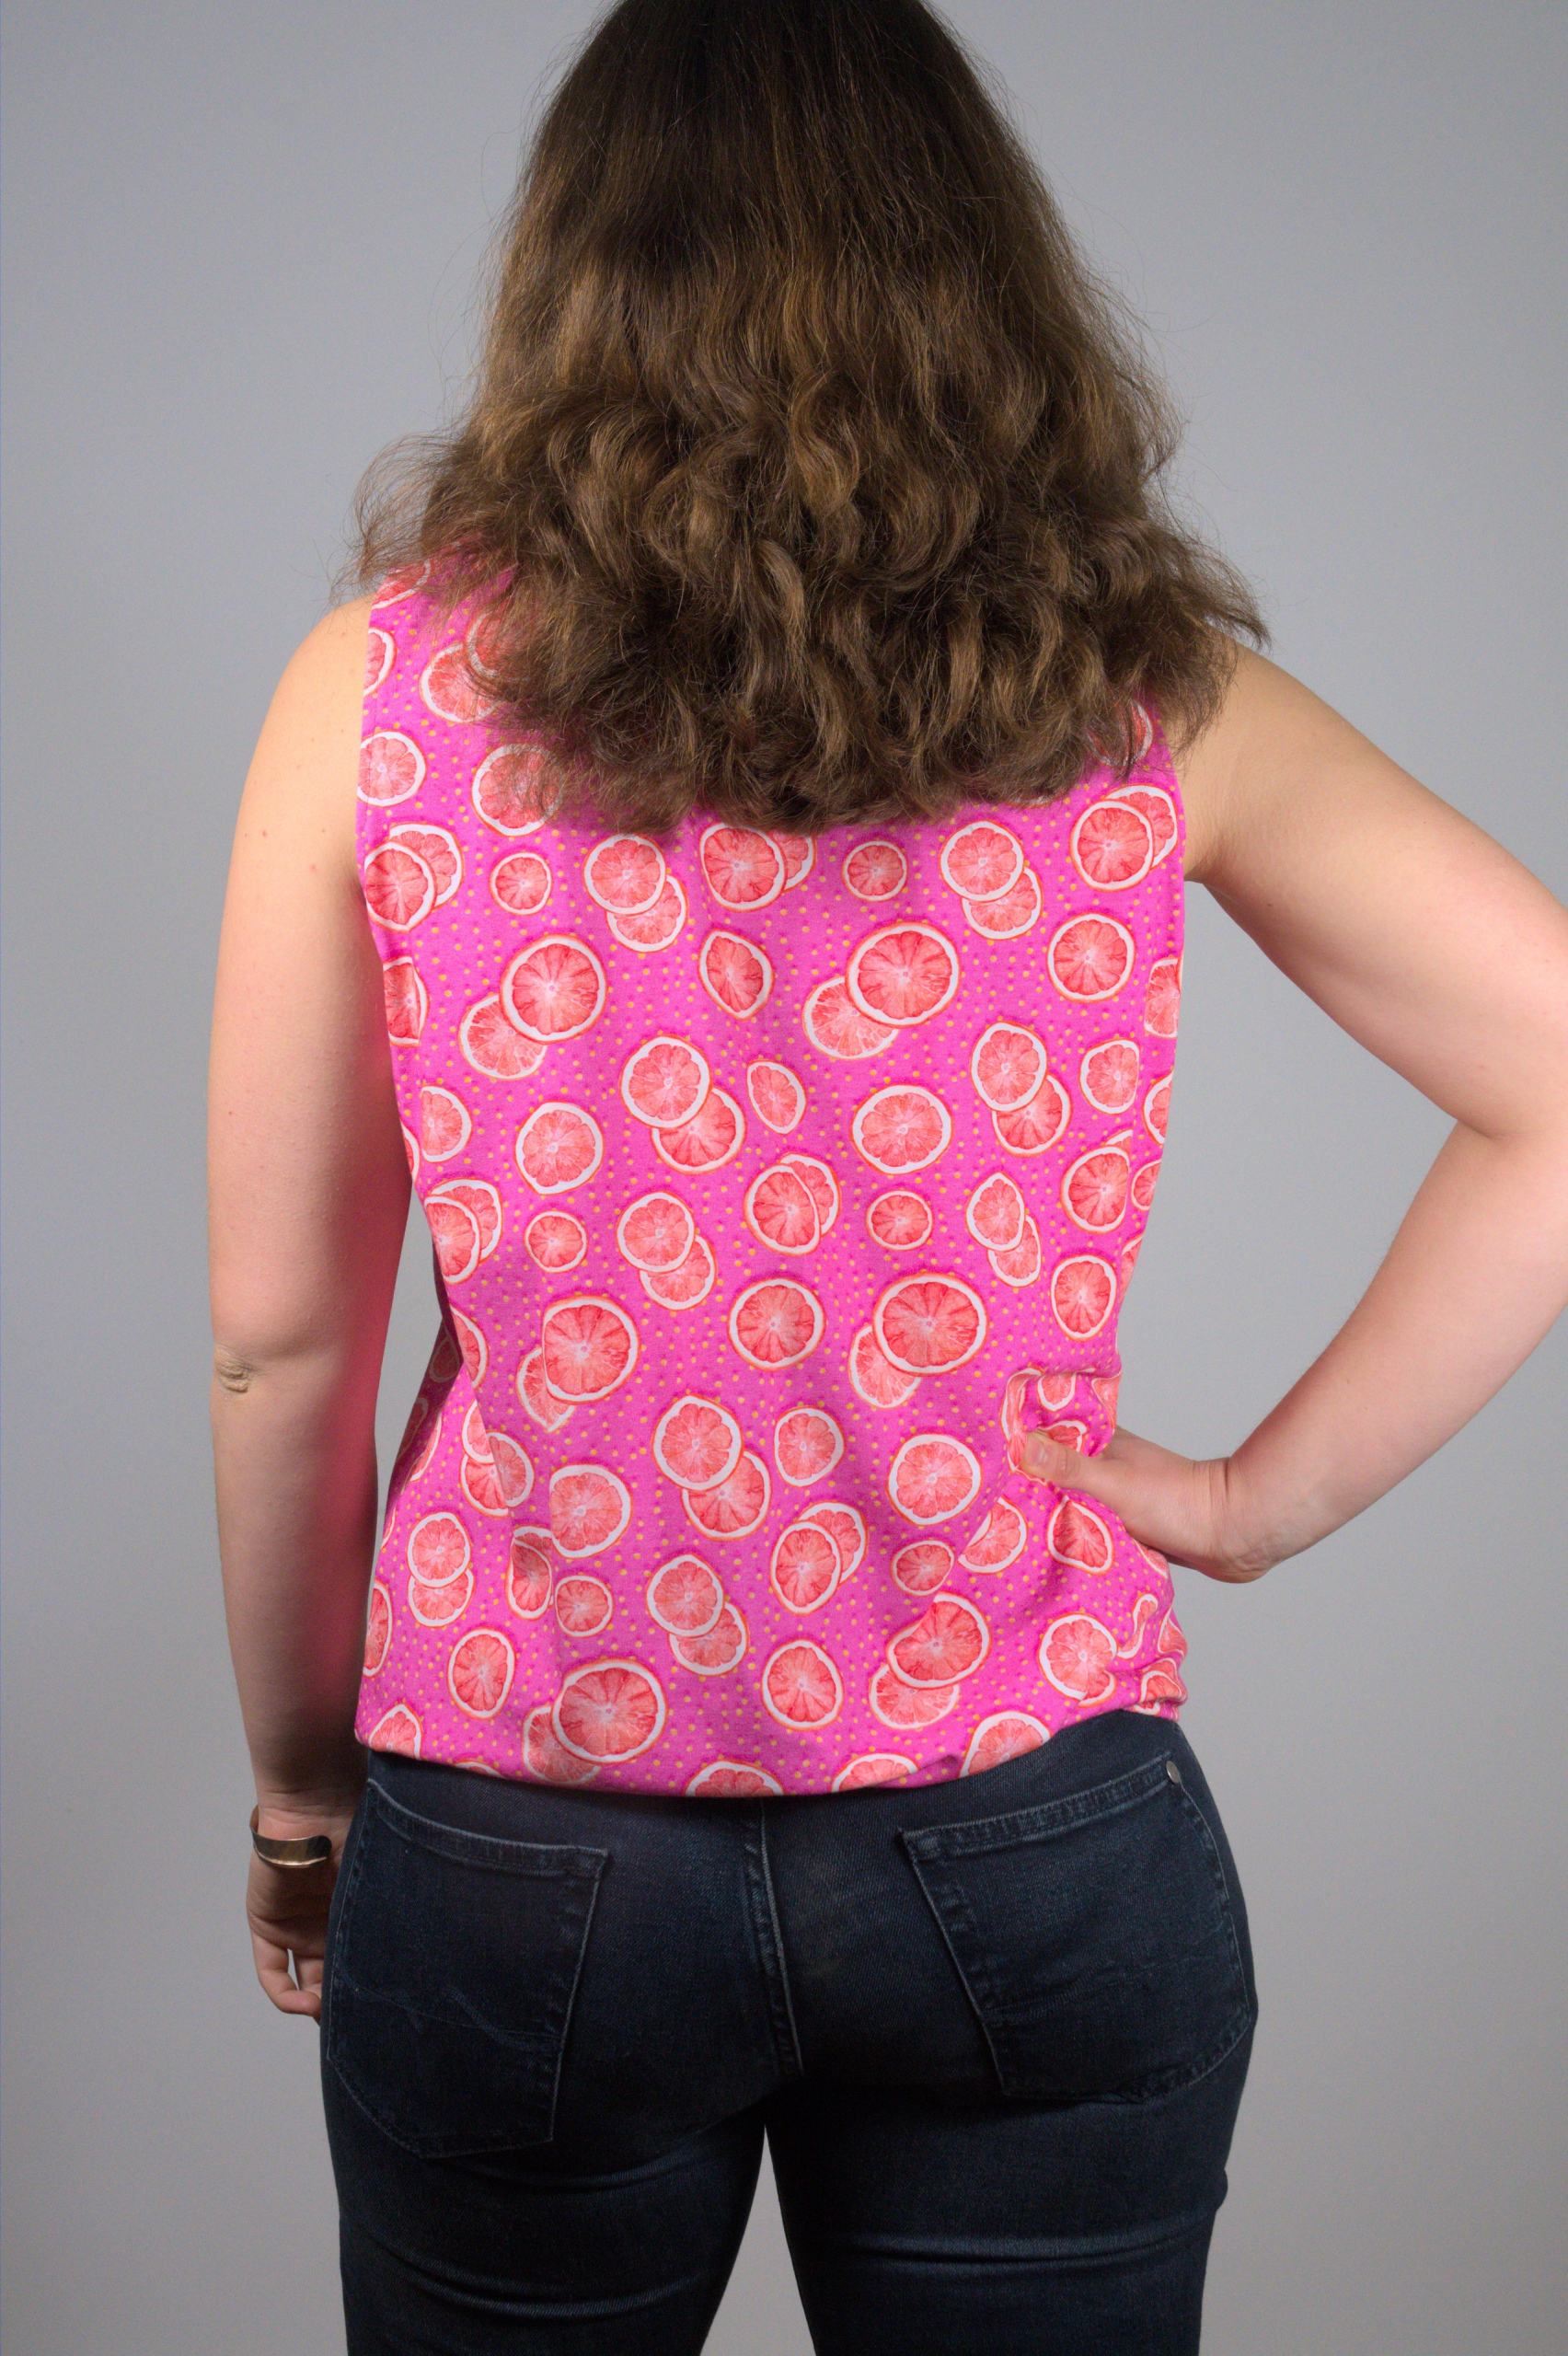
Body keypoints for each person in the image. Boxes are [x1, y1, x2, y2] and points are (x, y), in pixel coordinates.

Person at [206, 2, 1568, 2350]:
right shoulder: (1145, 694)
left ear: (579, 276)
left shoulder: (380, 692)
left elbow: (279, 1337)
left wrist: (299, 1795)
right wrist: (1253, 1505)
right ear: (978, 276)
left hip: (527, 1834)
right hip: (1031, 1832)